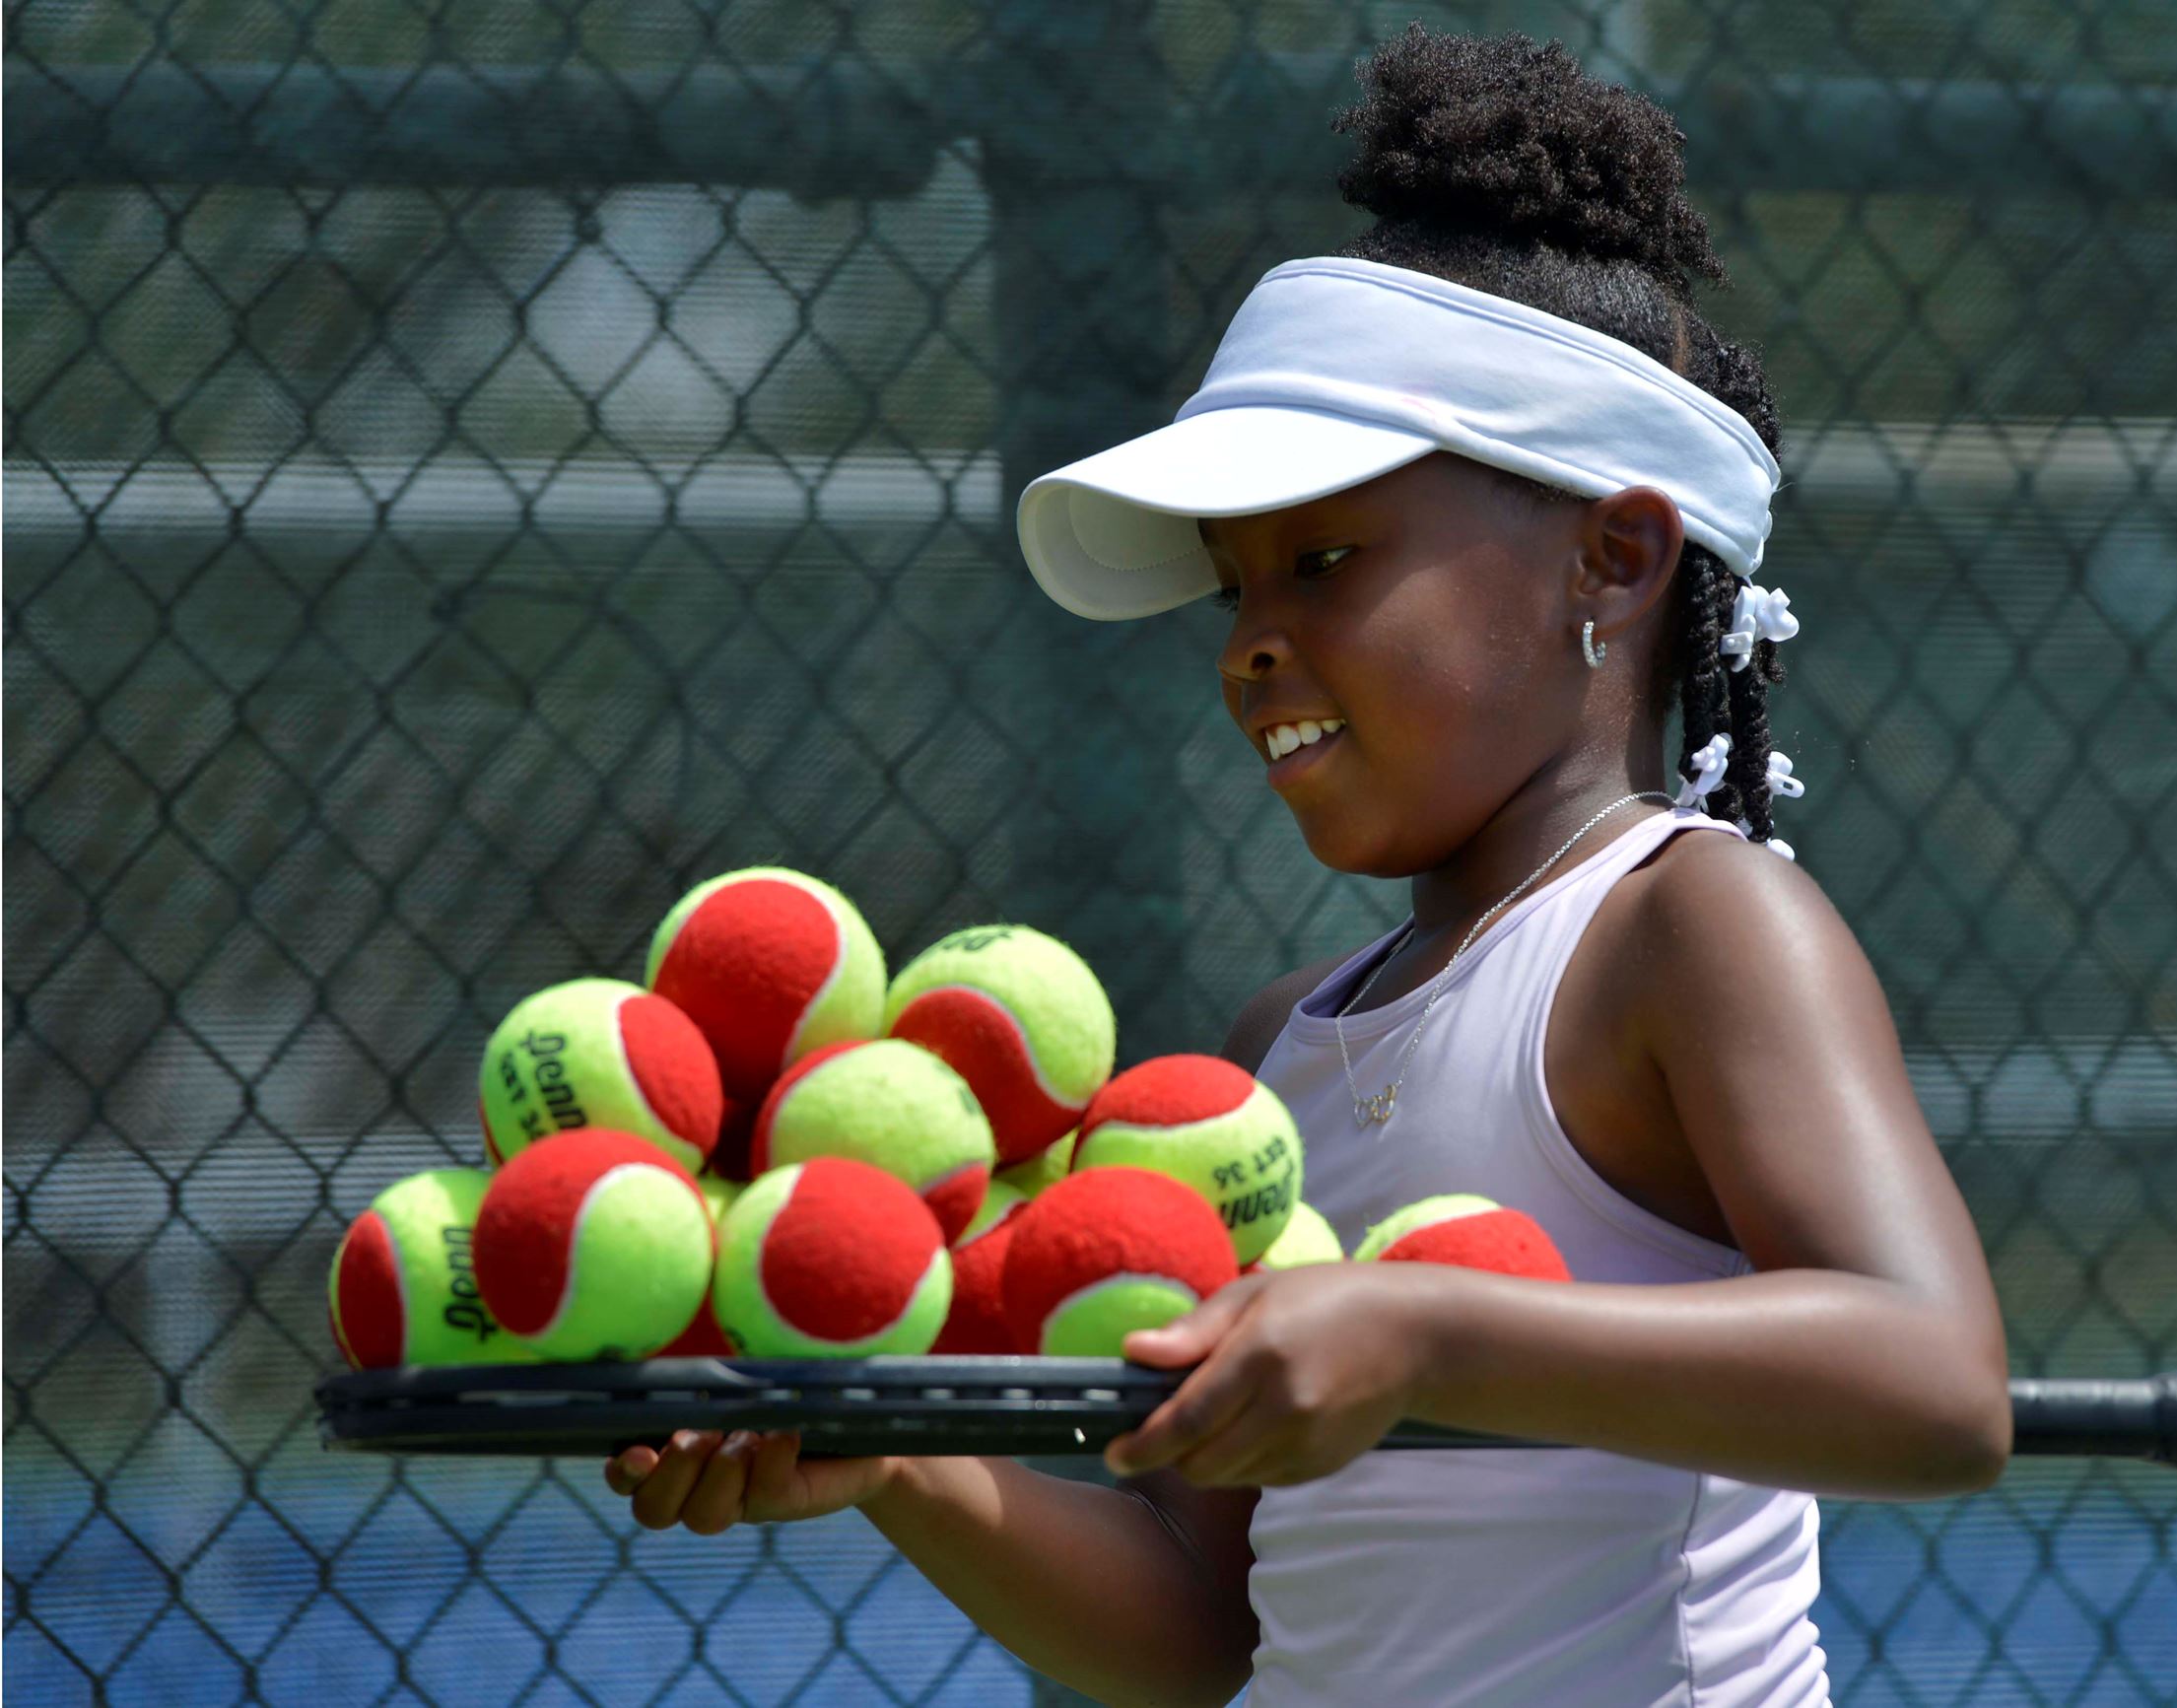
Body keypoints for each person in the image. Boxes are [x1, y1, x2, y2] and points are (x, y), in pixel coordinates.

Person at [604, 24, 2007, 1706]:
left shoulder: (1690, 923)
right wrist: (891, 1456)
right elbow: (1208, 1641)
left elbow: (1933, 1378)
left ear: (1616, 558)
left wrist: (1425, 1332)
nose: (1252, 647)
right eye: (1233, 592)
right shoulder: (1277, 1048)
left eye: (1326, 559)